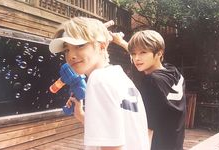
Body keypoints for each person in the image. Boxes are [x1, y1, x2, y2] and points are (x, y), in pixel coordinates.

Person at [49, 17, 151, 150]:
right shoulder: (118, 76)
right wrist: (81, 116)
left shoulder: (98, 80)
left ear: (102, 46)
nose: (71, 55)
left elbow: (113, 146)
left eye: (80, 45)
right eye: (67, 49)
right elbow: (117, 130)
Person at [111, 30, 186, 150]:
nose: (137, 58)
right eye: (133, 53)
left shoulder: (151, 82)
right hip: (175, 143)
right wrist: (121, 43)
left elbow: (147, 127)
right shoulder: (173, 72)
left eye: (143, 53)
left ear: (159, 53)